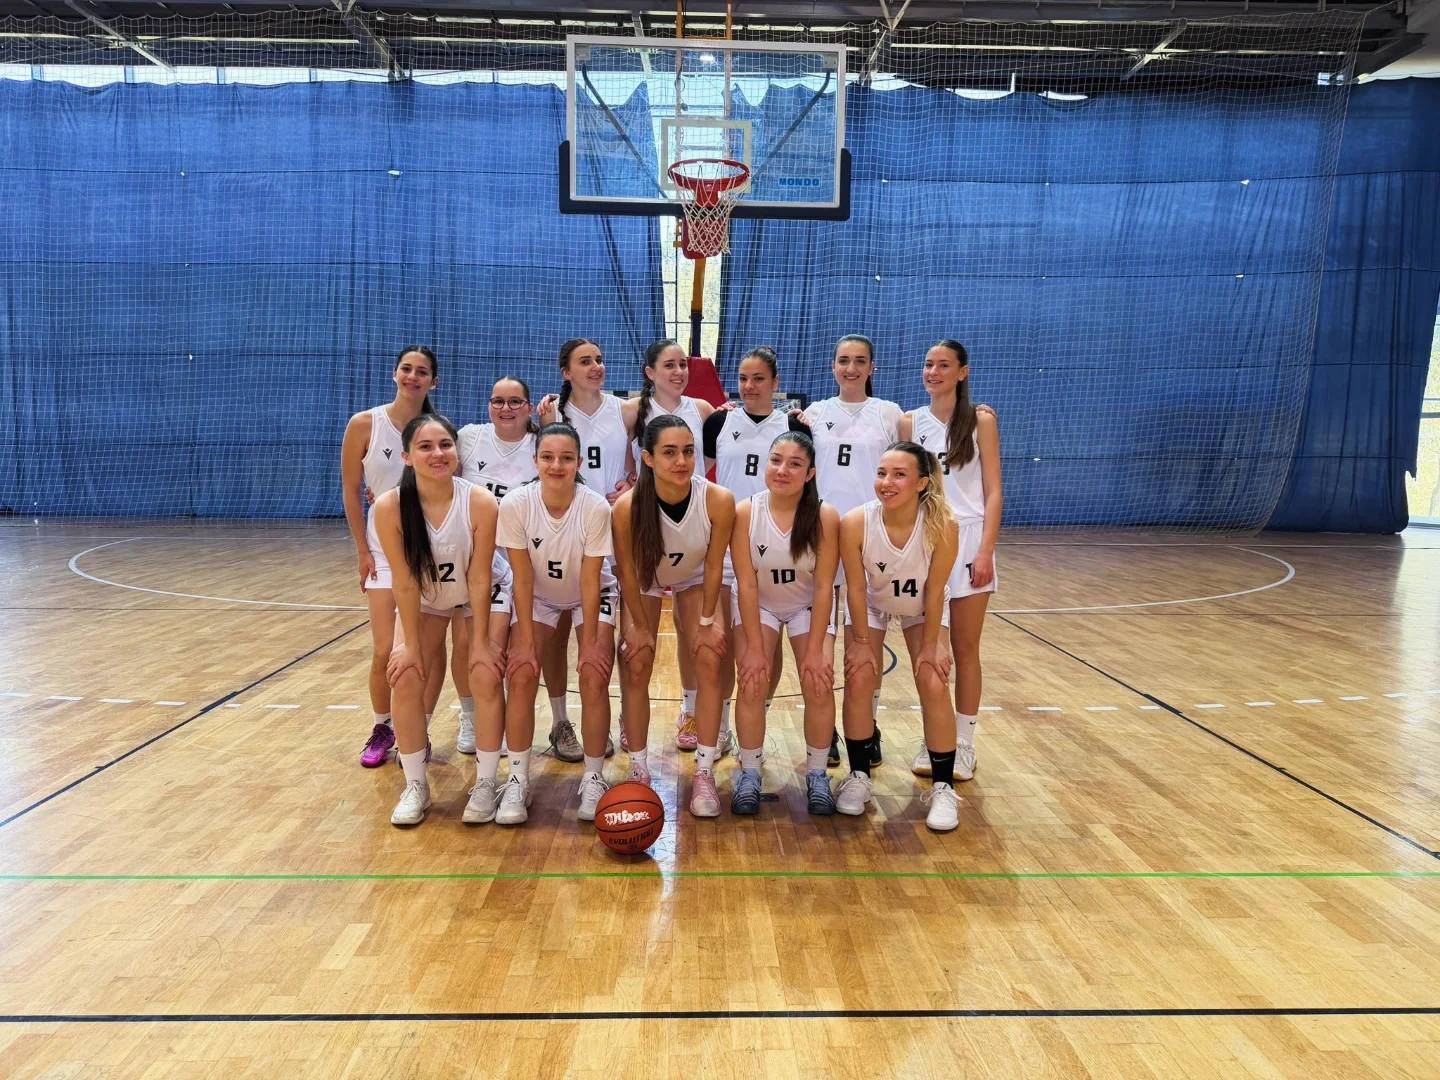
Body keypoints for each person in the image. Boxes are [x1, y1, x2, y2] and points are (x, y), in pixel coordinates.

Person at [371, 414, 504, 827]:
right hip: (425, 596)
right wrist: (411, 646)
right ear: (407, 457)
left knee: (483, 673)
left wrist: (480, 642)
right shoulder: (389, 507)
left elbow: (480, 577)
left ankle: (486, 783)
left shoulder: (480, 502)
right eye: (425, 447)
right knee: (405, 675)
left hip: (479, 593)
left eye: (445, 444)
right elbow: (405, 581)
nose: (438, 453)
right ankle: (416, 785)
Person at [612, 416, 735, 818]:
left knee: (710, 656)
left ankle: (704, 770)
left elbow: (714, 566)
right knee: (636, 659)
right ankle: (638, 767)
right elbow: (628, 574)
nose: (681, 461)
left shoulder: (717, 499)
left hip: (697, 575)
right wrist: (638, 628)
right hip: (646, 578)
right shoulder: (627, 508)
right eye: (669, 452)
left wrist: (707, 623)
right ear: (647, 458)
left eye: (687, 451)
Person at [837, 442, 963, 832]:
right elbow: (856, 589)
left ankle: (943, 787)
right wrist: (861, 643)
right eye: (881, 473)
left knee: (933, 679)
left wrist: (933, 645)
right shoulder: (856, 522)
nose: (886, 482)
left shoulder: (944, 525)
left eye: (899, 475)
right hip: (872, 604)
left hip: (922, 606)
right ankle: (859, 776)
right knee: (859, 676)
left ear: (922, 482)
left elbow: (936, 590)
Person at [496, 422, 617, 826]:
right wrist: (525, 642)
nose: (556, 465)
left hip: (590, 593)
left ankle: (594, 777)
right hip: (538, 595)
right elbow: (521, 577)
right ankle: (517, 778)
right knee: (521, 672)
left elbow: (590, 579)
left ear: (579, 462)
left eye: (566, 458)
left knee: (594, 674)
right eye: (547, 457)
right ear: (535, 460)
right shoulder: (516, 504)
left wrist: (591, 643)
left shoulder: (595, 507)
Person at [898, 340, 1002, 783]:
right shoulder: (910, 422)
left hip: (971, 538)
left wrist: (985, 551)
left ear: (962, 372)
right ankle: (935, 737)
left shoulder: (981, 421)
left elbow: (993, 490)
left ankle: (965, 742)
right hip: (927, 540)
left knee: (965, 649)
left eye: (943, 365)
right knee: (931, 652)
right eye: (928, 364)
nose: (933, 372)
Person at [797, 334, 901, 768]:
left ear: (872, 367)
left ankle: (867, 727)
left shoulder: (890, 414)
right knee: (823, 639)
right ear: (833, 366)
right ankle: (829, 732)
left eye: (860, 361)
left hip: (871, 536)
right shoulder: (814, 414)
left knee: (866, 640)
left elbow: (925, 443)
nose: (851, 368)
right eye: (844, 360)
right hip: (822, 534)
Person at [340, 345, 447, 768]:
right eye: (406, 369)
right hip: (383, 553)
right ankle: (382, 727)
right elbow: (351, 490)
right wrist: (362, 550)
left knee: (429, 650)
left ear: (434, 381)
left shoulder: (436, 430)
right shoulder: (364, 424)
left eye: (422, 372)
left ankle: (417, 730)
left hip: (429, 554)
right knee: (386, 648)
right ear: (395, 373)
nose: (412, 377)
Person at [701, 345, 810, 753]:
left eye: (759, 378)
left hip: (776, 547)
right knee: (725, 643)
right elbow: (698, 477)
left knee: (767, 642)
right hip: (726, 545)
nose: (749, 386)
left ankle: (757, 711)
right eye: (744, 378)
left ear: (775, 382)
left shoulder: (794, 425)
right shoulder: (719, 421)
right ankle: (723, 724)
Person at [730, 432, 841, 815]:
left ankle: (817, 774)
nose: (782, 470)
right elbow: (746, 583)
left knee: (818, 680)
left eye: (795, 464)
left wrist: (817, 649)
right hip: (759, 604)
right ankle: (749, 771)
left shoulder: (825, 516)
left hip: (806, 606)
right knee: (752, 679)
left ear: (809, 474)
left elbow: (824, 586)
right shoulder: (746, 512)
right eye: (776, 460)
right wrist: (755, 649)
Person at [618, 340, 718, 753]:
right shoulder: (629, 411)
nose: (679, 372)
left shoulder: (704, 410)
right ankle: (629, 714)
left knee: (694, 632)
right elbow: (608, 446)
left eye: (682, 365)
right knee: (635, 643)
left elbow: (728, 450)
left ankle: (690, 711)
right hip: (647, 525)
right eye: (669, 365)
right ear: (649, 372)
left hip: (690, 524)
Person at [537, 339, 632, 761]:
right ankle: (560, 722)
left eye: (599, 360)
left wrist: (631, 483)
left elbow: (639, 461)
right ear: (566, 372)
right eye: (585, 361)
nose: (596, 366)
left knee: (603, 641)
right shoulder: (551, 415)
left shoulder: (625, 411)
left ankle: (604, 722)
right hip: (560, 534)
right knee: (556, 637)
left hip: (609, 532)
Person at [455, 376, 539, 754]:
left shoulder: (541, 443)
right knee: (467, 643)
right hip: (477, 561)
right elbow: (434, 474)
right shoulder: (469, 438)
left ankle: (510, 723)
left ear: (529, 407)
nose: (506, 408)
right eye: (498, 401)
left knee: (517, 647)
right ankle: (472, 715)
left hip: (526, 561)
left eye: (515, 401)